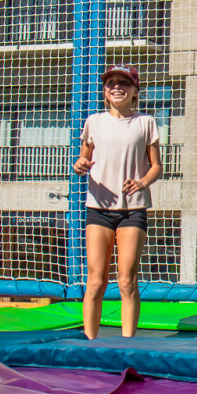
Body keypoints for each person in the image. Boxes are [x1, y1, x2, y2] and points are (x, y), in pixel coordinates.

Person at [71, 65, 163, 340]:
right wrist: (80, 164)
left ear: (135, 90)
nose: (116, 86)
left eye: (123, 82)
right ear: (105, 90)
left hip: (132, 210)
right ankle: (90, 342)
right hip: (98, 209)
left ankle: (127, 343)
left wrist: (142, 182)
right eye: (110, 82)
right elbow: (83, 158)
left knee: (126, 280)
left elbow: (156, 166)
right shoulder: (94, 121)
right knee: (96, 281)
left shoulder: (146, 122)